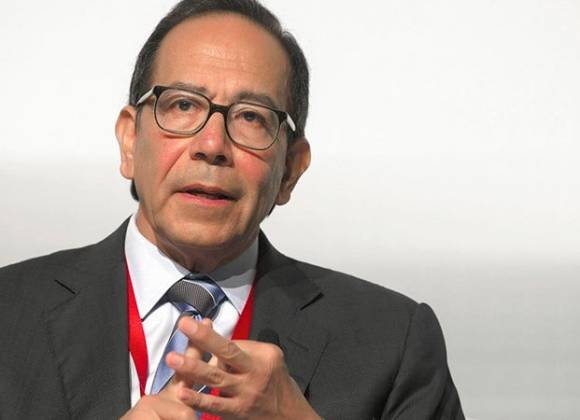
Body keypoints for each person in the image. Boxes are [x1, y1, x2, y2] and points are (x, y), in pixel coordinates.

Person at [0, 1, 464, 419]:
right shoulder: (9, 312)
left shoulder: (393, 344)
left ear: (290, 170)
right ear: (129, 141)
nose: (212, 144)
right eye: (183, 105)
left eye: (251, 117)